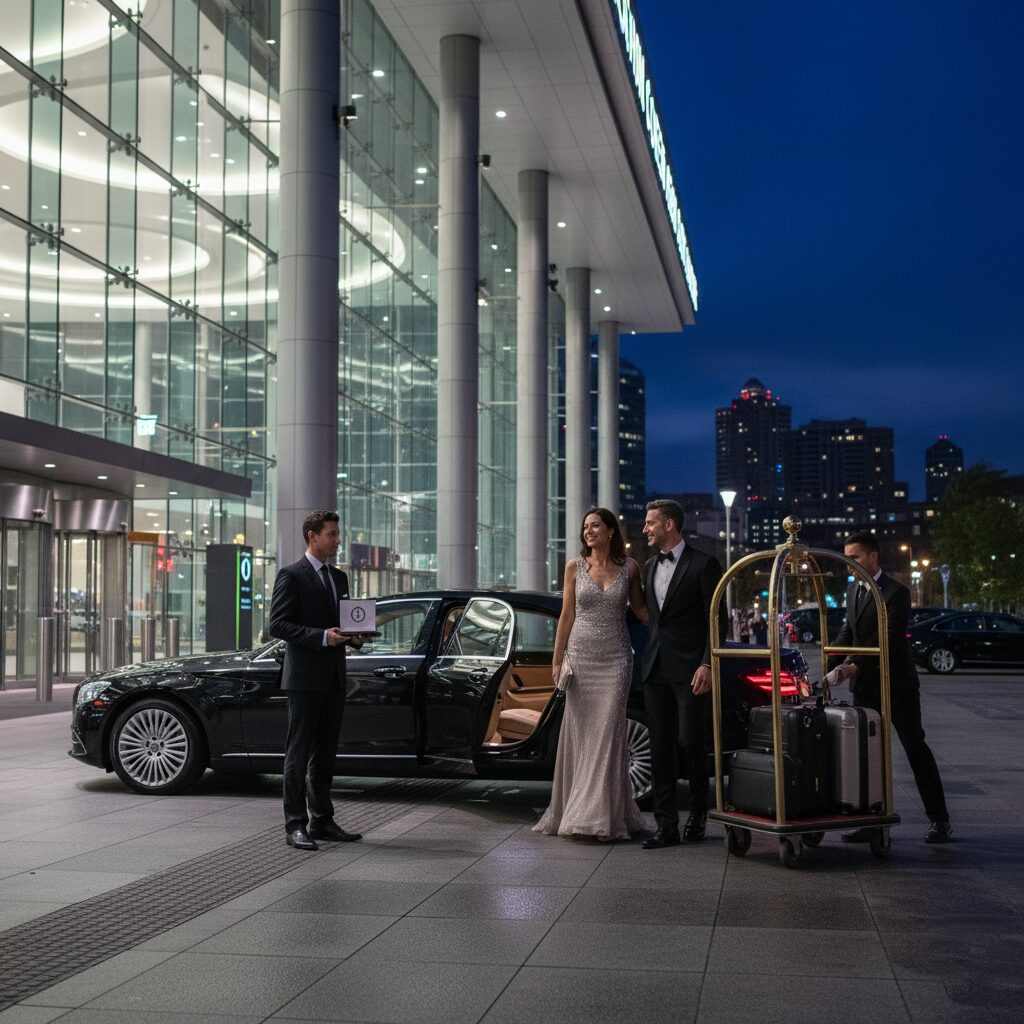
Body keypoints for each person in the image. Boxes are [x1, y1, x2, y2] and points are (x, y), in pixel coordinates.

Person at [829, 530, 952, 844]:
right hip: (866, 688)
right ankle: (871, 820)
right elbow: (850, 634)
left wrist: (855, 665)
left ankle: (939, 819)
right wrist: (829, 664)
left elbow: (888, 637)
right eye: (846, 559)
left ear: (872, 557)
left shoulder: (896, 592)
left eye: (854, 558)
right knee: (866, 754)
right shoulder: (854, 592)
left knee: (915, 749)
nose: (849, 565)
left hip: (898, 686)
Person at [534, 508, 649, 841]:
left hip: (616, 660)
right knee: (583, 737)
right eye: (585, 527)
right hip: (581, 660)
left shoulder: (630, 568)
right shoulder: (574, 566)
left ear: (611, 530)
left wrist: (675, 614)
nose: (588, 531)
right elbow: (567, 614)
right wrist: (557, 661)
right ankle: (582, 813)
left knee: (608, 737)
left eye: (595, 525)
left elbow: (642, 611)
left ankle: (605, 818)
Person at [268, 509, 366, 851]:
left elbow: (344, 622)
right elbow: (277, 626)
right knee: (298, 754)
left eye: (337, 534)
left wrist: (354, 636)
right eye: (332, 534)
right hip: (304, 679)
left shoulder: (338, 578)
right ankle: (294, 824)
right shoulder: (291, 575)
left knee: (325, 754)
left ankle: (322, 820)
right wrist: (322, 637)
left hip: (334, 676)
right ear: (313, 536)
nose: (338, 540)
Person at [639, 499, 728, 849]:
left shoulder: (704, 564)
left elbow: (716, 619)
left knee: (692, 743)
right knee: (659, 747)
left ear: (670, 524)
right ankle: (666, 825)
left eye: (650, 523)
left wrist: (707, 663)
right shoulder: (647, 566)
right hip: (654, 668)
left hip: (692, 669)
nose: (645, 528)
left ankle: (698, 814)